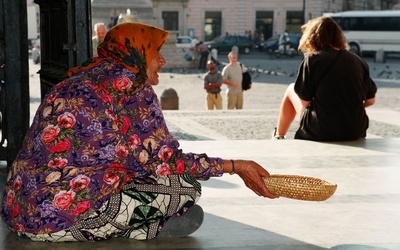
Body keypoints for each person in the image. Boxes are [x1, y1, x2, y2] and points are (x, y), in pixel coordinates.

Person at [1, 22, 277, 242]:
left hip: (18, 210)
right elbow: (169, 162)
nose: (162, 60)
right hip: (54, 222)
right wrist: (235, 166)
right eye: (156, 51)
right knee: (185, 188)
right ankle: (139, 228)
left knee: (148, 175)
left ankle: (141, 224)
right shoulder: (132, 86)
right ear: (137, 53)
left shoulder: (74, 81)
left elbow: (131, 155)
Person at [273, 16, 377, 141]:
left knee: (290, 89)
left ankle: (279, 135)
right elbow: (371, 101)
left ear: (312, 38)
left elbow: (304, 102)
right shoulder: (358, 60)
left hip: (321, 129)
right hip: (355, 130)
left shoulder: (313, 60)